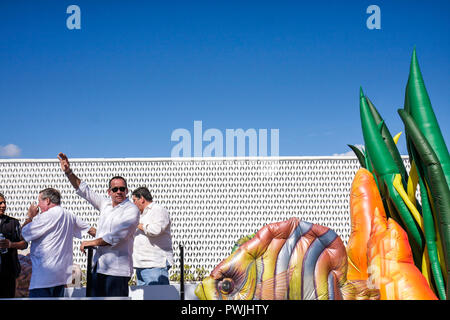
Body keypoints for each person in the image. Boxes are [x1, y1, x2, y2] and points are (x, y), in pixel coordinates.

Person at [58, 152, 140, 297]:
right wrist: (69, 172)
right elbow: (84, 190)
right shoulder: (105, 204)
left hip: (117, 271)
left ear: (127, 191)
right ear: (109, 192)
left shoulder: (132, 210)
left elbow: (116, 236)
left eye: (122, 189)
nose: (119, 191)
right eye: (115, 189)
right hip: (98, 267)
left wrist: (91, 242)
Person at [21, 188, 94, 298]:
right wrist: (106, 240)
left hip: (42, 279)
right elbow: (90, 230)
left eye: (39, 201)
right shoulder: (69, 215)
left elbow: (23, 234)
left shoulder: (44, 217)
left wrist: (30, 216)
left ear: (47, 201)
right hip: (60, 279)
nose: (38, 206)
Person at [132, 187, 173, 285]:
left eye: (134, 200)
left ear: (141, 199)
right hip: (141, 264)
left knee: (157, 297)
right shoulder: (140, 214)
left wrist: (137, 223)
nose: (133, 204)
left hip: (155, 264)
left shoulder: (158, 210)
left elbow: (156, 230)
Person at [0, 193, 28, 298]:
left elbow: (24, 244)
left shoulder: (13, 223)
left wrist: (11, 244)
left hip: (8, 273)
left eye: (4, 203)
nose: (3, 205)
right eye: (0, 203)